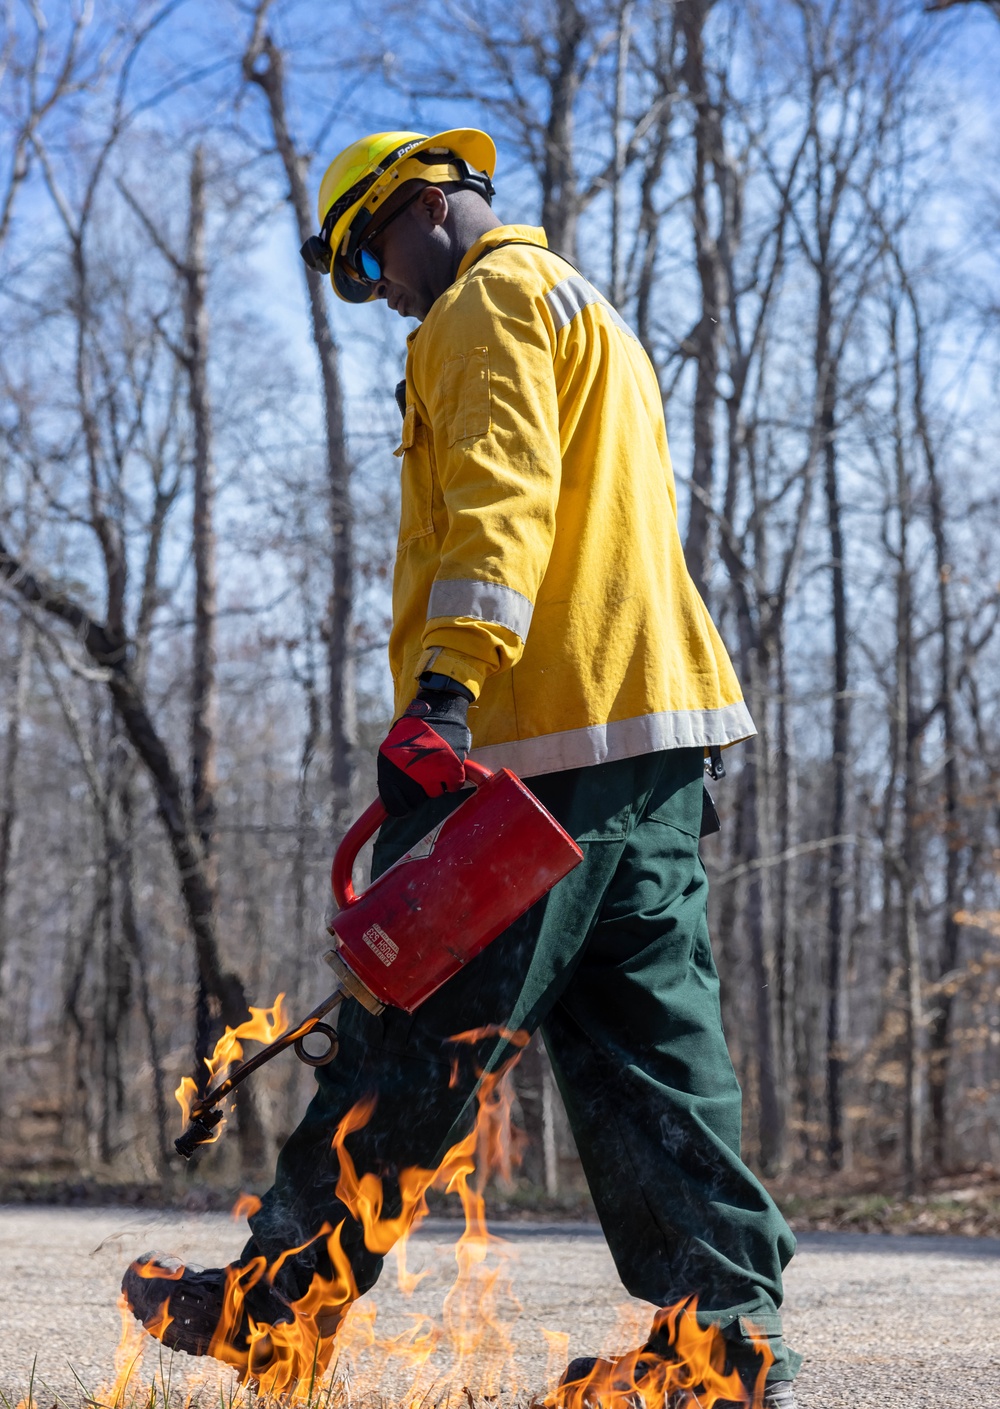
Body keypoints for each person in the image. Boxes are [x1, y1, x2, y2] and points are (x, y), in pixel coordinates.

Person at [123, 128, 800, 1408]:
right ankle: (724, 1347)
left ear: (425, 206)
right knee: (654, 1051)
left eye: (368, 255)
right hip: (654, 747)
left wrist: (446, 688)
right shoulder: (581, 303)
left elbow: (501, 499)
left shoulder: (482, 305)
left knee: (416, 1034)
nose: (377, 292)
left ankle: (277, 1311)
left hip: (537, 749)